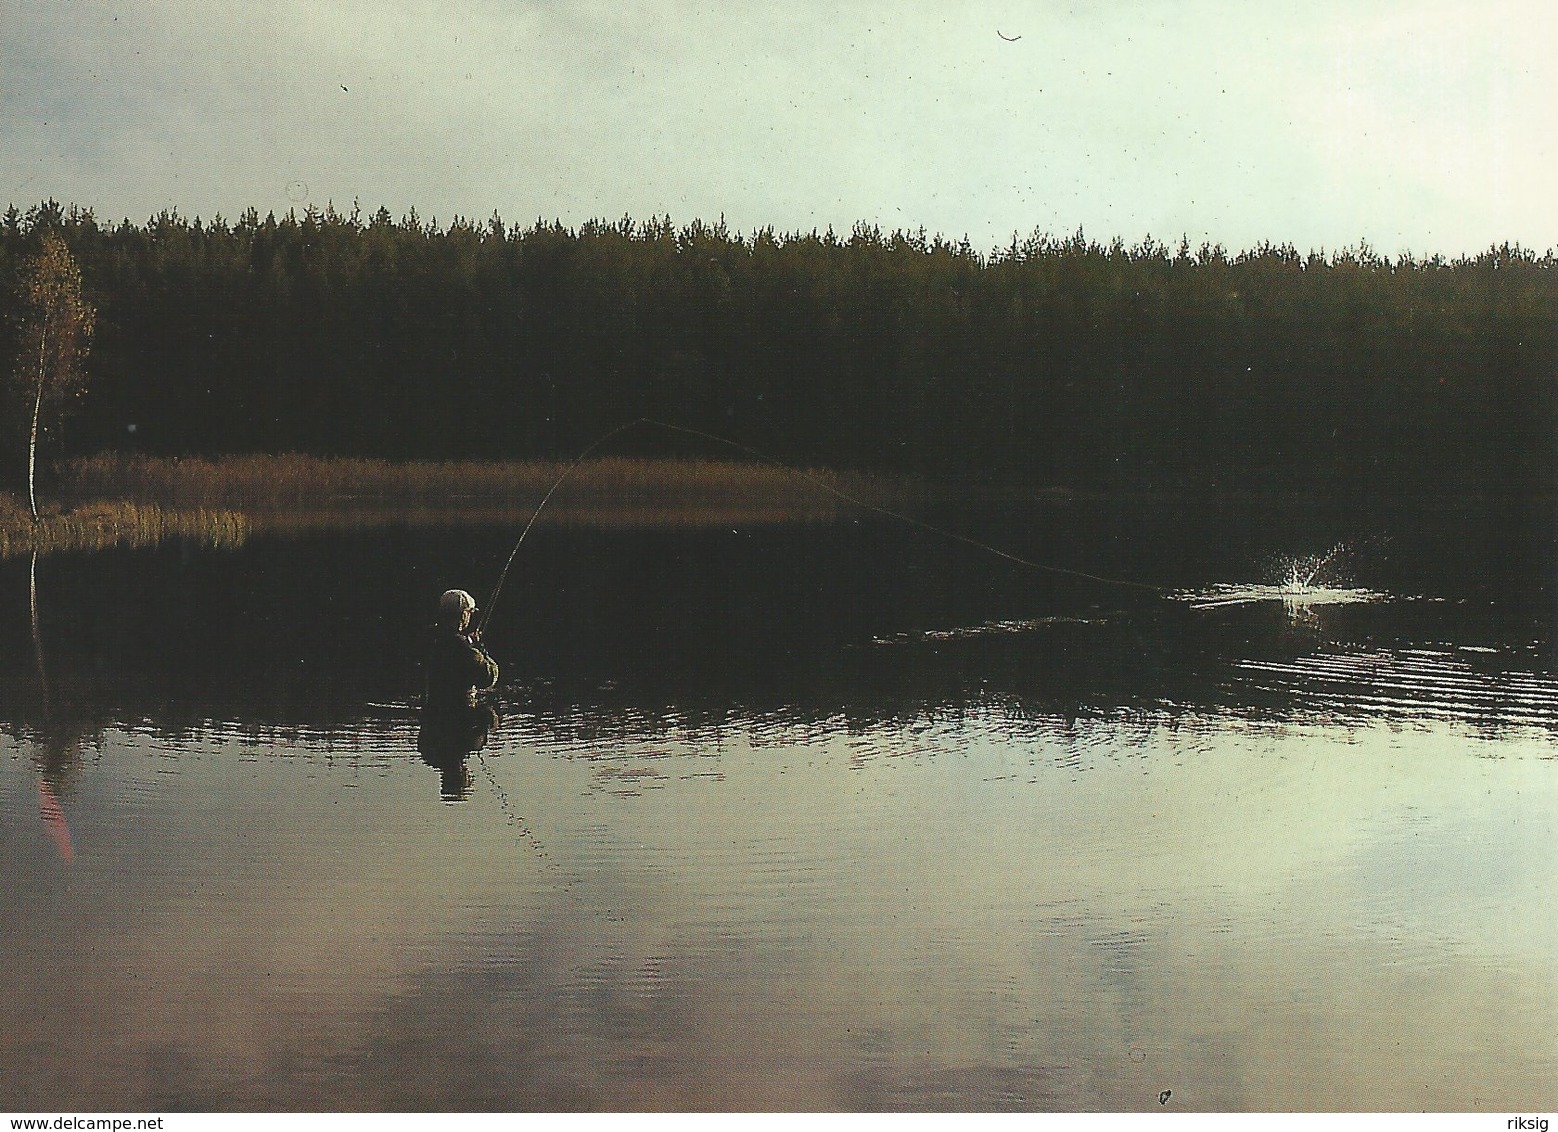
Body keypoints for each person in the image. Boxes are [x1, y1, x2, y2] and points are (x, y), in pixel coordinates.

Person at [423, 588, 499, 713]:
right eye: (469, 612)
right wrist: (479, 648)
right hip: (459, 721)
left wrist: (468, 642)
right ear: (463, 615)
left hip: (432, 718)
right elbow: (488, 677)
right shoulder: (463, 649)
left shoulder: (430, 639)